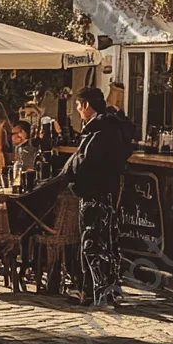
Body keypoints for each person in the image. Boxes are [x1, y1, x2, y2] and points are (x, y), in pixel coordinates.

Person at [56, 87, 133, 307]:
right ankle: (110, 289)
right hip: (110, 190)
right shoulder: (115, 127)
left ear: (87, 105)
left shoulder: (98, 129)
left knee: (92, 241)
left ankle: (93, 292)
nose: (79, 111)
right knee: (108, 241)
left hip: (94, 191)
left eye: (79, 106)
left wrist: (68, 175)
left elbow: (84, 160)